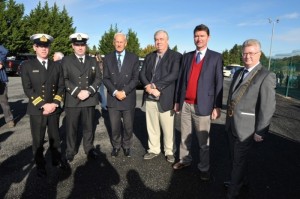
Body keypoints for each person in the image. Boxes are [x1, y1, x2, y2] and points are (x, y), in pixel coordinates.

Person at [224, 39, 276, 199]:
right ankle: (240, 180)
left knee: (238, 160)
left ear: (259, 54)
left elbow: (268, 106)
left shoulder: (266, 76)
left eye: (251, 53)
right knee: (235, 158)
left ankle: (233, 191)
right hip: (232, 123)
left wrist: (261, 130)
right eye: (245, 53)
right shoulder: (239, 72)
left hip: (247, 128)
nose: (247, 56)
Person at [173, 24, 223, 181]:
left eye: (202, 36)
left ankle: (204, 167)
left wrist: (217, 106)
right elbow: (181, 81)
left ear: (208, 37)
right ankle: (184, 160)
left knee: (203, 141)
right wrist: (177, 101)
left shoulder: (216, 57)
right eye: (196, 36)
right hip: (186, 104)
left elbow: (219, 83)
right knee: (184, 137)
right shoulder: (187, 57)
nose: (198, 38)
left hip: (204, 106)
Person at [20, 34, 69, 178]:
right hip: (37, 109)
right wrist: (43, 105)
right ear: (35, 47)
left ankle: (57, 159)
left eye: (46, 46)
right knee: (38, 140)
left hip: (53, 108)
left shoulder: (56, 66)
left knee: (55, 136)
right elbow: (27, 89)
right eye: (40, 46)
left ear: (49, 48)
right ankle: (40, 164)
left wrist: (54, 103)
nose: (43, 49)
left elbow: (61, 86)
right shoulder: (27, 66)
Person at [139, 30, 182, 163]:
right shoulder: (149, 56)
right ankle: (153, 149)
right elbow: (142, 74)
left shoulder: (176, 56)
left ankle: (169, 151)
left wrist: (156, 87)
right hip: (150, 97)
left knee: (168, 128)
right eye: (156, 39)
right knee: (152, 126)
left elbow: (174, 75)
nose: (158, 42)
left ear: (167, 40)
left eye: (161, 39)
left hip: (166, 97)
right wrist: (148, 87)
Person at [62, 32, 102, 163]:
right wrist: (76, 91)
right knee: (71, 128)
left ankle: (89, 149)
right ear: (72, 46)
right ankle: (70, 150)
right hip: (73, 99)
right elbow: (64, 79)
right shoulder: (66, 60)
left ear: (86, 46)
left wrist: (89, 91)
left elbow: (98, 78)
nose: (80, 47)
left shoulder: (92, 60)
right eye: (77, 45)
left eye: (82, 45)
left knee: (89, 127)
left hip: (89, 99)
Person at [103, 32, 139, 157]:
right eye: (117, 42)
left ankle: (127, 146)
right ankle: (116, 146)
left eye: (121, 41)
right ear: (114, 42)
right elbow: (105, 78)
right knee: (115, 126)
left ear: (125, 43)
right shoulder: (107, 58)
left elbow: (135, 79)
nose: (119, 44)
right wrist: (115, 92)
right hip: (113, 98)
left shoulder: (134, 58)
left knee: (128, 126)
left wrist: (124, 91)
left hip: (127, 96)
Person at [0, 44, 14, 128]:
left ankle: (9, 120)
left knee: (4, 101)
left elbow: (5, 51)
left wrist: (1, 61)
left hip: (1, 81)